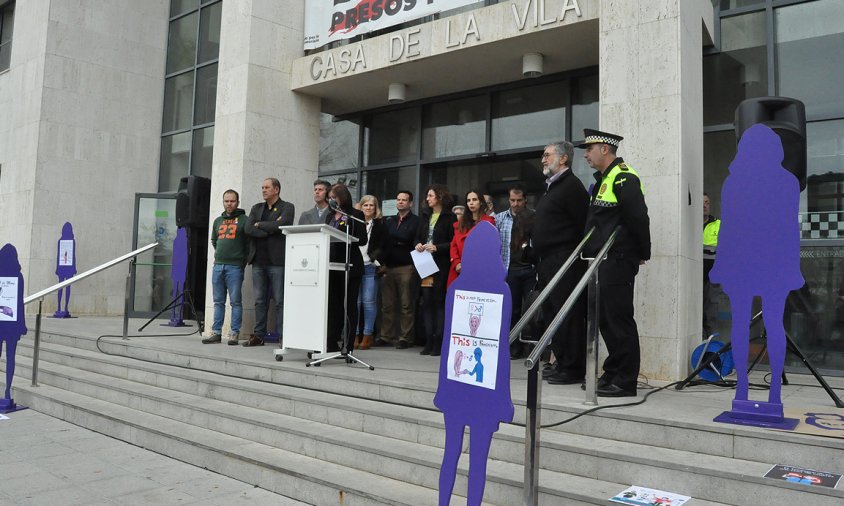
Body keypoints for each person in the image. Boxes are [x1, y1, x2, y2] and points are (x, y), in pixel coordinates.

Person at [709, 123, 803, 407]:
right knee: (774, 324)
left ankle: (742, 389)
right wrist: (792, 266)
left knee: (739, 324)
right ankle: (774, 389)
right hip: (774, 262)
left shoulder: (734, 181)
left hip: (744, 263)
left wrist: (721, 266)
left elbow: (730, 230)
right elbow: (789, 230)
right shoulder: (788, 182)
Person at [578, 129, 651, 397]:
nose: (586, 154)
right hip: (602, 260)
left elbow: (638, 218)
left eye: (589, 149)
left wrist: (643, 252)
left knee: (618, 320)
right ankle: (612, 372)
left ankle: (625, 380)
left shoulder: (624, 177)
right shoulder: (603, 180)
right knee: (606, 321)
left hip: (618, 259)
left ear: (605, 149)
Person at [534, 142, 590, 384]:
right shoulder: (551, 187)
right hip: (547, 260)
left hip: (565, 259)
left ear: (563, 159)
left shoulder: (572, 187)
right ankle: (561, 361)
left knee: (568, 313)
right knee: (552, 311)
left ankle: (573, 367)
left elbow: (582, 225)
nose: (543, 160)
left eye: (547, 155)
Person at [244, 178, 295, 347]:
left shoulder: (287, 207)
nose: (263, 190)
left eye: (267, 187)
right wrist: (268, 229)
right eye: (262, 187)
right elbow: (248, 228)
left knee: (280, 301)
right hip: (258, 261)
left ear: (276, 190)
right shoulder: (256, 208)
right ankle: (259, 336)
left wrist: (261, 225)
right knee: (259, 301)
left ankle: (283, 337)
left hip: (277, 262)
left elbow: (283, 225)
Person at [495, 184, 537, 360]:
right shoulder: (500, 219)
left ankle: (530, 347)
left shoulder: (534, 217)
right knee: (511, 309)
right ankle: (513, 347)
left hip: (529, 269)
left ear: (525, 200)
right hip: (509, 269)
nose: (516, 204)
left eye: (519, 200)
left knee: (530, 309)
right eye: (512, 200)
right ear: (508, 199)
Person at [414, 184, 456, 356]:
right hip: (425, 263)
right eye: (427, 196)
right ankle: (428, 340)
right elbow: (417, 236)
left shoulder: (450, 217)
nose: (428, 199)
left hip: (441, 264)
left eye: (431, 195)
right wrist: (417, 244)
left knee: (439, 302)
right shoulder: (425, 216)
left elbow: (453, 243)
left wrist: (437, 247)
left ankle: (439, 340)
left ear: (439, 197)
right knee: (427, 302)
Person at [203, 190, 249, 345]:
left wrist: (240, 259)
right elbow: (214, 240)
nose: (229, 204)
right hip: (218, 266)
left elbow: (249, 244)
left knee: (235, 301)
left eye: (232, 201)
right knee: (218, 301)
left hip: (235, 267)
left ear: (237, 202)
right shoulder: (217, 221)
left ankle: (234, 333)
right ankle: (216, 333)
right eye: (226, 201)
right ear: (223, 202)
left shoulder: (244, 220)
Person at [325, 183, 367, 353]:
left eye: (334, 197)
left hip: (350, 265)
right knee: (333, 306)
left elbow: (362, 240)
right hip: (332, 266)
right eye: (330, 198)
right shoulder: (329, 217)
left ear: (342, 197)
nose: (331, 200)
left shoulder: (355, 215)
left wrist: (349, 230)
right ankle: (331, 342)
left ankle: (348, 345)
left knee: (349, 305)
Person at [379, 191, 421, 349]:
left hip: (406, 267)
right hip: (388, 267)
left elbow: (410, 239)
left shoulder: (417, 221)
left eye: (404, 200)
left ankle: (405, 337)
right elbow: (384, 242)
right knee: (387, 305)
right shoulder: (389, 220)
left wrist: (397, 239)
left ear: (410, 203)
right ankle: (386, 336)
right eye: (398, 199)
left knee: (406, 305)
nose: (401, 202)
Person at [355, 195, 387, 350]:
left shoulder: (380, 224)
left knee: (368, 302)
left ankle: (368, 336)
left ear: (375, 208)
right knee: (356, 303)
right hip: (354, 265)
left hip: (370, 266)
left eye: (371, 205)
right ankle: (353, 335)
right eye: (365, 205)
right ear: (360, 207)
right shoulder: (354, 222)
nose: (368, 208)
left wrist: (376, 258)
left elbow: (385, 245)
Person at [448, 189, 495, 286]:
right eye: (468, 201)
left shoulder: (489, 223)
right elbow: (453, 245)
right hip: (460, 269)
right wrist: (457, 262)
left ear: (481, 202)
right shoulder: (460, 224)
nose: (471, 203)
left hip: (480, 269)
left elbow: (489, 248)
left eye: (474, 200)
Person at [0, 243, 26, 408]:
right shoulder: (18, 275)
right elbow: (19, 302)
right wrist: (22, 324)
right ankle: (7, 390)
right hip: (12, 322)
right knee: (11, 357)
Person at [702, 192, 721, 338]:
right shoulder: (688, 225)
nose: (704, 206)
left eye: (707, 202)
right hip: (693, 278)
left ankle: (711, 353)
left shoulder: (719, 225)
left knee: (710, 316)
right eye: (702, 202)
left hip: (712, 277)